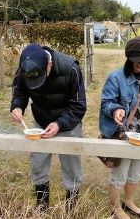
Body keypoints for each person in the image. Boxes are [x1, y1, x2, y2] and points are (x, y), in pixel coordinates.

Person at [10, 43, 86, 211]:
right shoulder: (25, 68)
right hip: (41, 121)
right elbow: (19, 92)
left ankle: (71, 209)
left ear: (49, 64)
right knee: (38, 162)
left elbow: (79, 105)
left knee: (71, 166)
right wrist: (17, 106)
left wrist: (59, 124)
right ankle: (42, 205)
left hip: (68, 125)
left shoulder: (70, 68)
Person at [99, 36, 140, 219]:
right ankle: (116, 208)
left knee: (136, 172)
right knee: (120, 173)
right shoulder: (115, 77)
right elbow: (106, 103)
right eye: (137, 59)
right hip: (122, 134)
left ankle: (128, 202)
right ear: (129, 58)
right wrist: (116, 110)